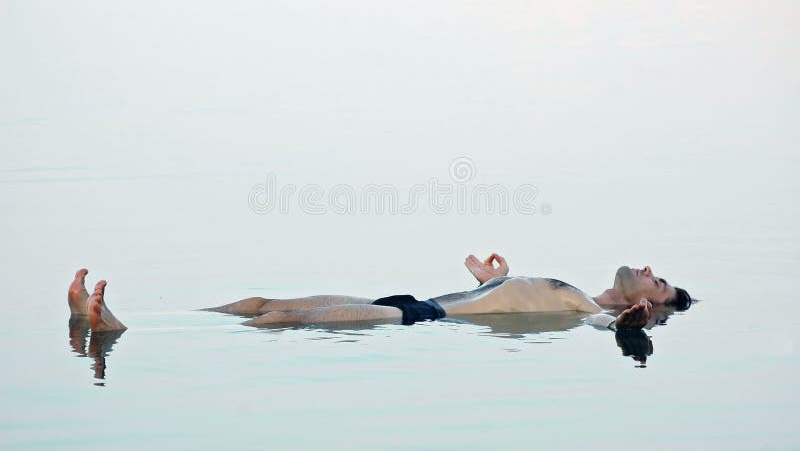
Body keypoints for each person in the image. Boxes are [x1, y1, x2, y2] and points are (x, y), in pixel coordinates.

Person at [68, 254, 691, 332]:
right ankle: (151, 315)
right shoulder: (572, 292)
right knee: (263, 302)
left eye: (657, 282)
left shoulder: (588, 310)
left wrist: (629, 324)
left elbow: (606, 328)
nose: (648, 270)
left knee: (286, 320)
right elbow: (509, 298)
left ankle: (117, 329)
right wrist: (491, 278)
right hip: (417, 299)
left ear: (650, 303)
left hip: (421, 317)